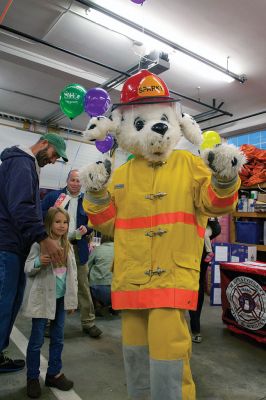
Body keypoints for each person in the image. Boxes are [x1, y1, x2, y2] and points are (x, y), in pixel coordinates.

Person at [0, 132, 68, 373]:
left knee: (11, 301)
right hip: (7, 244)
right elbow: (21, 206)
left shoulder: (24, 164)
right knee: (4, 302)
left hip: (14, 244)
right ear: (45, 144)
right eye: (54, 155)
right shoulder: (22, 163)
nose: (52, 160)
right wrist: (42, 238)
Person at [22, 207, 78, 399]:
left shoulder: (68, 246)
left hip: (61, 301)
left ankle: (54, 373)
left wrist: (72, 301)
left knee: (58, 338)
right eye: (57, 222)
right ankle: (32, 377)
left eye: (65, 222)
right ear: (49, 224)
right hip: (43, 300)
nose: (62, 226)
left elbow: (73, 276)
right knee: (36, 341)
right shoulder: (40, 245)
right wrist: (39, 262)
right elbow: (28, 267)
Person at [42, 170, 102, 338]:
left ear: (81, 183)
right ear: (67, 180)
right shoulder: (53, 197)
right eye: (72, 180)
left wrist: (87, 229)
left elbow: (94, 223)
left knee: (83, 284)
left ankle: (88, 323)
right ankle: (47, 322)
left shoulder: (87, 201)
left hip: (78, 247)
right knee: (52, 283)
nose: (75, 183)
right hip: (55, 245)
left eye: (78, 180)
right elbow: (39, 216)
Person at [189, 217, 221, 343]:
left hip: (196, 247)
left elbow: (216, 227)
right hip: (195, 245)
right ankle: (195, 327)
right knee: (197, 283)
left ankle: (195, 327)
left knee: (196, 284)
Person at [88, 235, 114, 316]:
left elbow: (87, 266)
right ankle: (114, 307)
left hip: (98, 288)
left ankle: (97, 306)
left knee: (86, 281)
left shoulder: (97, 249)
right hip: (117, 289)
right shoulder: (121, 250)